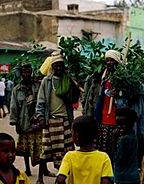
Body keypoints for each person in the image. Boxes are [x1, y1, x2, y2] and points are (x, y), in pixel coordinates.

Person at [36, 52, 77, 184]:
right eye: (56, 65)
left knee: (66, 150)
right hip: (50, 120)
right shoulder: (46, 81)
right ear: (52, 66)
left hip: (64, 119)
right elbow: (41, 100)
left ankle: (62, 178)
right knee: (45, 151)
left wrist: (74, 87)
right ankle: (40, 178)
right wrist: (41, 117)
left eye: (60, 65)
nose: (58, 68)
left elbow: (72, 100)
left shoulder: (67, 80)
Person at [10, 64, 51, 178]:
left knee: (41, 148)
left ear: (31, 72)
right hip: (24, 123)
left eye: (28, 72)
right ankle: (27, 169)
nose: (26, 74)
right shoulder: (16, 89)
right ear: (21, 73)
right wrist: (15, 123)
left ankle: (44, 170)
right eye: (24, 72)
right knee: (26, 149)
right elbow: (14, 107)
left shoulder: (38, 85)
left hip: (38, 122)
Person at [82, 50, 124, 163]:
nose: (109, 63)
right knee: (103, 151)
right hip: (103, 118)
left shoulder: (123, 77)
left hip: (117, 119)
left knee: (115, 151)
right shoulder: (103, 76)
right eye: (107, 60)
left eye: (112, 60)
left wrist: (119, 94)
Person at [56, 115, 113, 184]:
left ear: (76, 136)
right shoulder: (104, 157)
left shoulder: (69, 156)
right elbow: (106, 182)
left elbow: (60, 179)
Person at [114, 108, 140, 184]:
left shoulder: (123, 139)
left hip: (123, 178)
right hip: (133, 176)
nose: (119, 126)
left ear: (130, 123)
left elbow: (118, 159)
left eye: (122, 124)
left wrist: (114, 140)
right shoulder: (133, 135)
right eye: (118, 123)